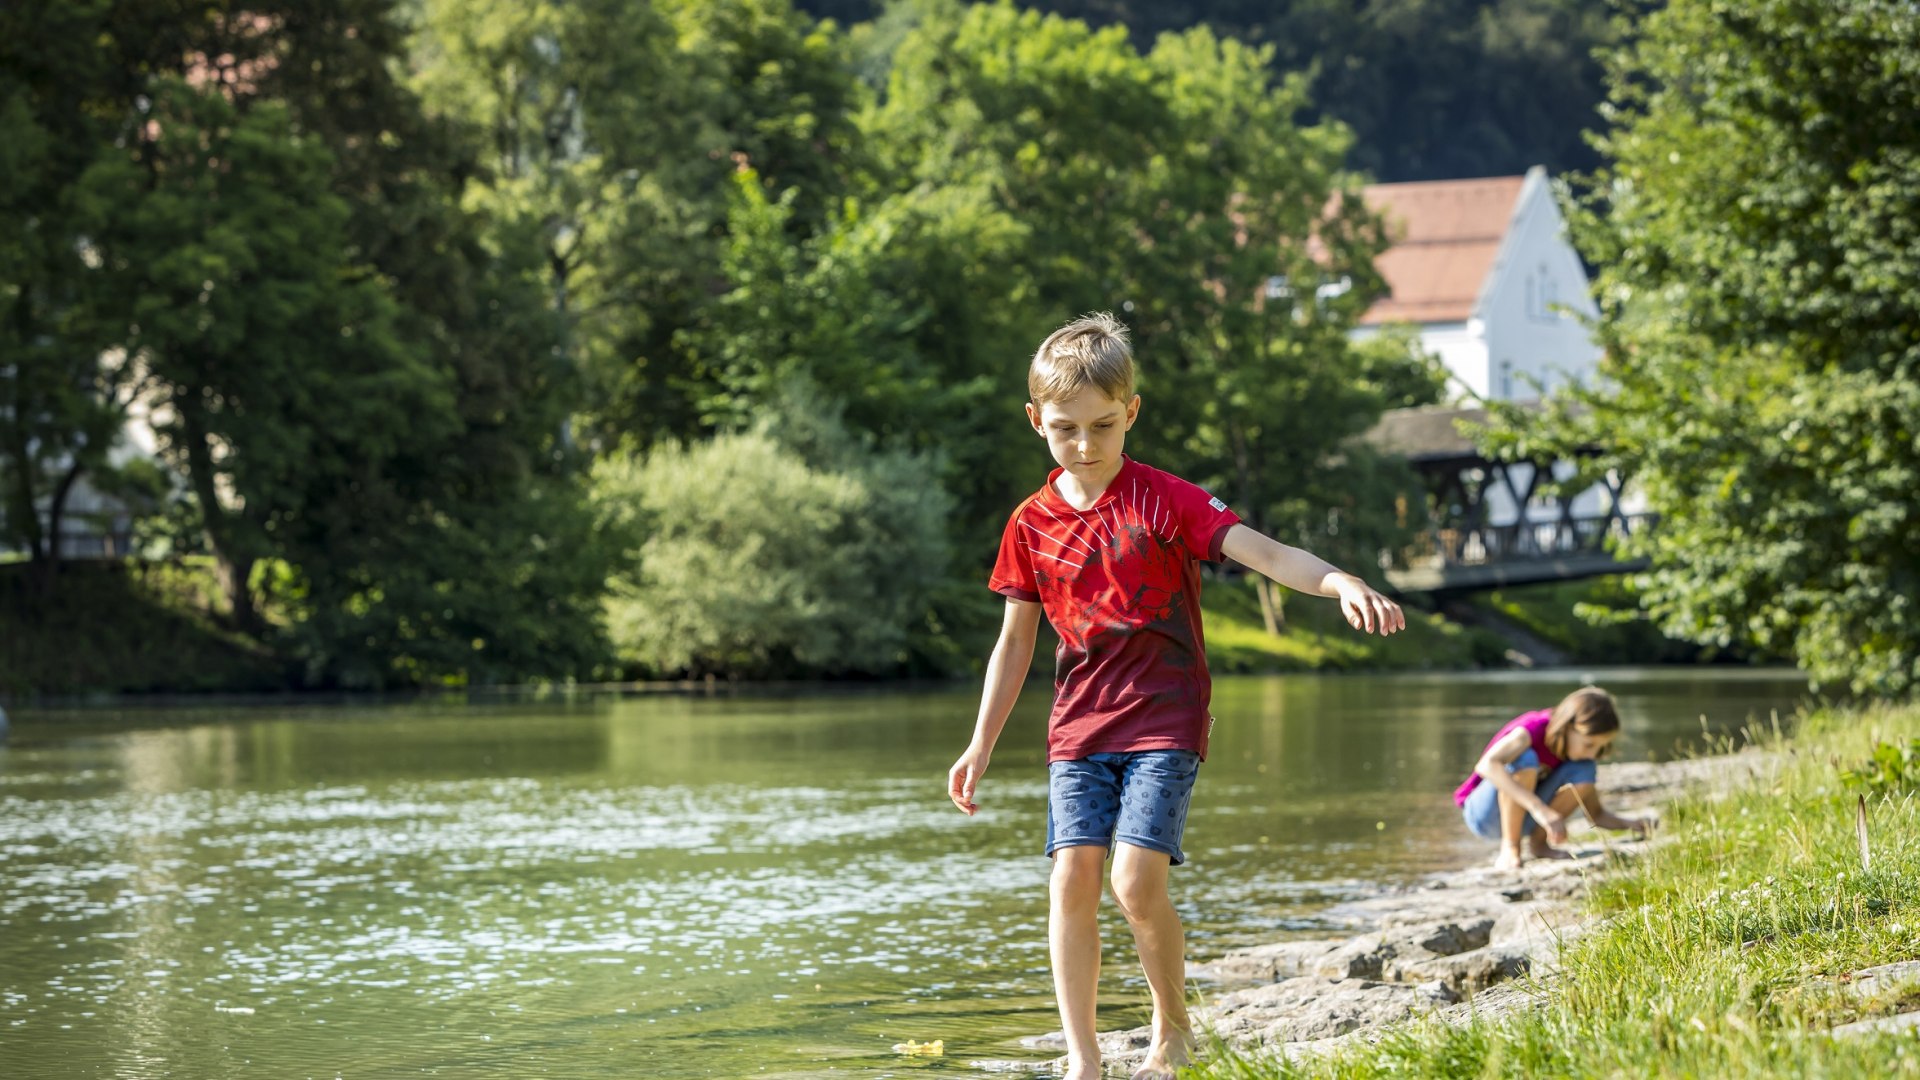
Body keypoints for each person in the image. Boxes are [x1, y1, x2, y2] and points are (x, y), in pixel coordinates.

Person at [945, 313, 1406, 1080]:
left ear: (1131, 412)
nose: (1085, 445)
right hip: (1077, 730)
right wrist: (981, 742)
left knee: (1134, 881)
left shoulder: (1167, 500)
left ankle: (1174, 1025)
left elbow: (1264, 551)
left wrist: (1338, 581)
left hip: (1167, 719)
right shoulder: (1029, 524)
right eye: (1065, 429)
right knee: (1072, 878)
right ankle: (1083, 1058)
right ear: (1035, 421)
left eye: (1101, 425)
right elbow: (1016, 641)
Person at [1454, 686, 1654, 871]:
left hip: (1527, 818)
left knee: (1585, 768)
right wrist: (1539, 809)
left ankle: (1539, 844)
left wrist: (1632, 824)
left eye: (1599, 748)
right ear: (1568, 726)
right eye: (1589, 744)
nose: (1593, 753)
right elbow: (1486, 765)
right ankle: (1510, 847)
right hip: (1482, 815)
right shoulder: (1532, 729)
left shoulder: (1579, 757)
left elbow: (1597, 815)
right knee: (1525, 758)